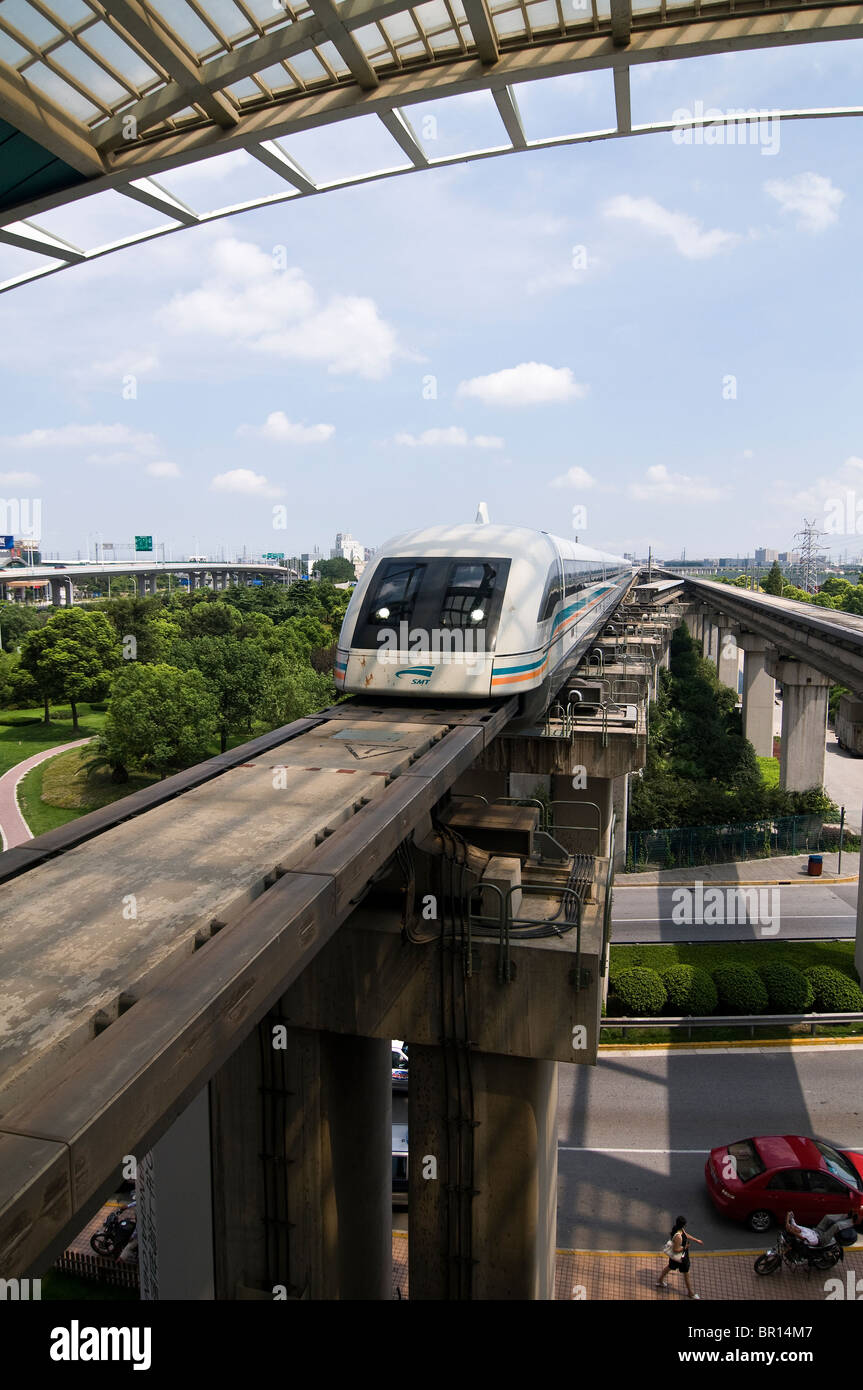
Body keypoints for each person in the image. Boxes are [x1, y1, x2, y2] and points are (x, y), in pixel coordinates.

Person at [656, 1215, 704, 1299]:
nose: (685, 1226)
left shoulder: (678, 1229)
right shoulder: (678, 1236)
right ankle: (690, 1293)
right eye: (685, 1225)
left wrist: (696, 1240)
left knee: (670, 1267)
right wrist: (685, 1247)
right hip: (681, 1257)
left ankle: (660, 1281)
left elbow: (686, 1235)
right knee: (686, 1273)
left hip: (676, 1257)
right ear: (683, 1225)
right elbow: (675, 1250)